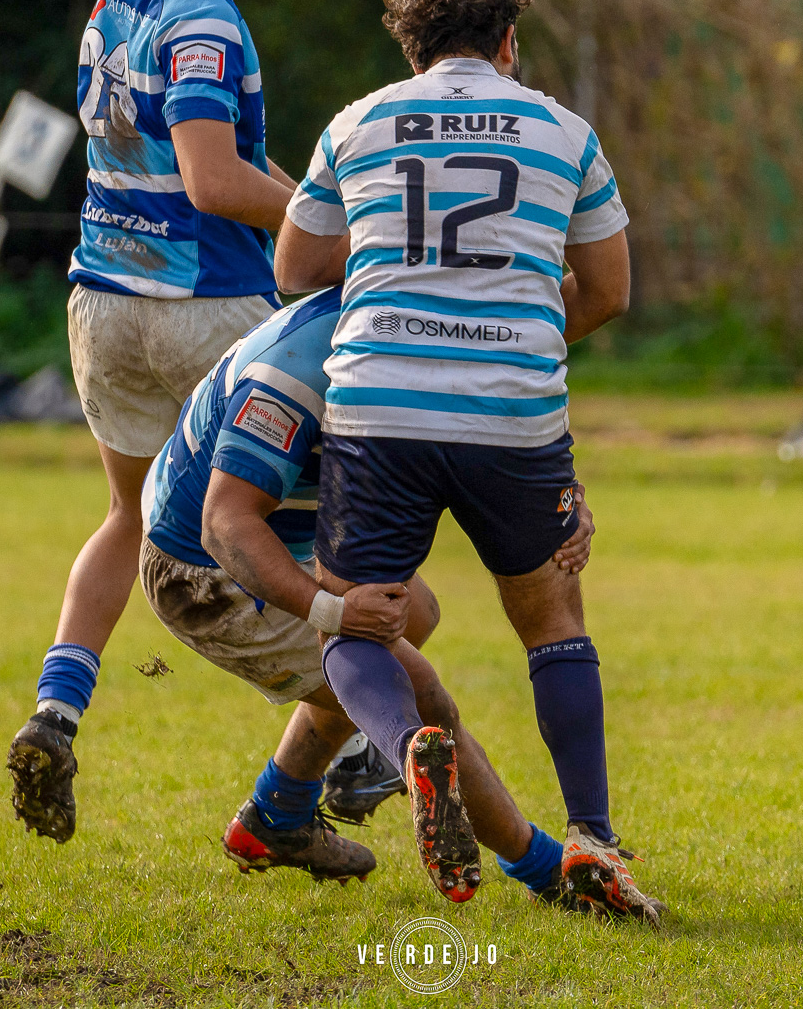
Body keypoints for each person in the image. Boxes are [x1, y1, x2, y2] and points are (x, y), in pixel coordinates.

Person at [272, 0, 665, 923]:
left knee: (357, 617)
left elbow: (295, 268)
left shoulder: (357, 123)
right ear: (508, 42)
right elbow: (611, 289)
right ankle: (593, 836)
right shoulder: (564, 131)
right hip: (512, 410)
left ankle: (409, 745)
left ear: (411, 51)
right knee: (553, 617)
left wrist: (397, 284)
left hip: (379, 405)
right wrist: (517, 326)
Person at [8, 0, 300, 845]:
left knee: (127, 515)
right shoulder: (205, 17)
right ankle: (343, 743)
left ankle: (55, 714)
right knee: (326, 512)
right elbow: (214, 182)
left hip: (104, 303)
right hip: (203, 307)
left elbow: (203, 158)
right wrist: (324, 222)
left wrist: (308, 202)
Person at [137, 285, 594, 902]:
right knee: (422, 698)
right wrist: (331, 610)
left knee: (414, 612)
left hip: (287, 533)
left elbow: (492, 445)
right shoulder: (297, 371)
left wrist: (561, 500)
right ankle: (544, 870)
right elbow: (223, 523)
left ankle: (279, 810)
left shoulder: (416, 325)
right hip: (201, 567)